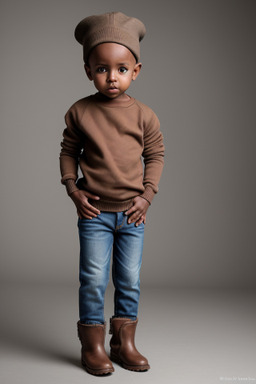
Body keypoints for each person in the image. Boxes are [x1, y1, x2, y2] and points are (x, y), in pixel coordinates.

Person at [59, 12, 164, 376]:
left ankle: (124, 342)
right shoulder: (80, 111)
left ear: (136, 70)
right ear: (88, 70)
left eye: (121, 69)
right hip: (95, 214)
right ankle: (93, 346)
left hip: (133, 214)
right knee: (93, 278)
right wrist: (73, 189)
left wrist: (147, 196)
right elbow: (68, 152)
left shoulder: (145, 116)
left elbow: (155, 155)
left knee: (130, 279)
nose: (112, 76)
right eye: (102, 68)